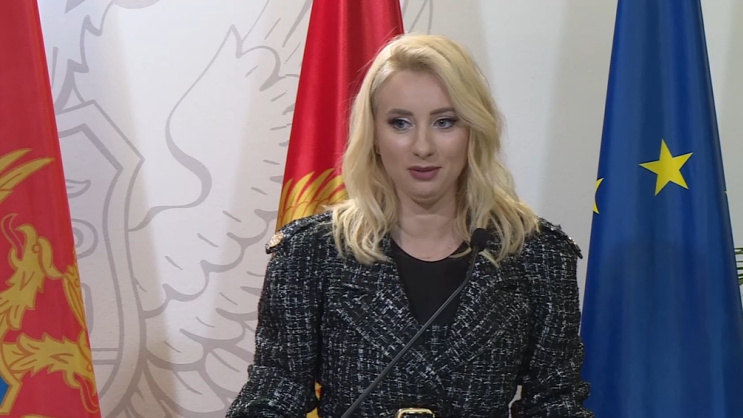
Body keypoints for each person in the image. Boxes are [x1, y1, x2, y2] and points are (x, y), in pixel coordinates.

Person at [226, 33, 593, 418]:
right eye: (400, 123)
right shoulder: (309, 253)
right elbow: (275, 391)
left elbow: (555, 401)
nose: (422, 147)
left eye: (444, 122)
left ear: (473, 130)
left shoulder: (538, 254)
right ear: (374, 136)